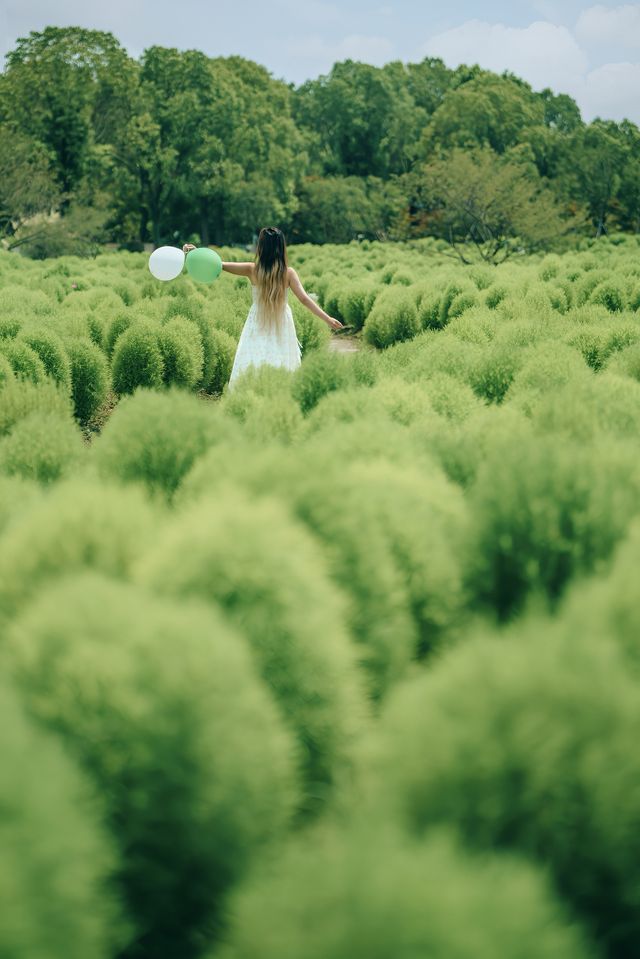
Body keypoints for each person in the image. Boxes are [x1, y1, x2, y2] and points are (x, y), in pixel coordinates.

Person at [183, 227, 344, 391]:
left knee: (255, 355)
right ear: (281, 248)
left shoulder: (252, 269)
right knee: (280, 356)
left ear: (260, 247)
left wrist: (195, 254)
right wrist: (327, 318)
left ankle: (251, 391)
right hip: (281, 320)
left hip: (257, 319)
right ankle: (279, 391)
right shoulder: (288, 273)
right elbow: (304, 298)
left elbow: (218, 265)